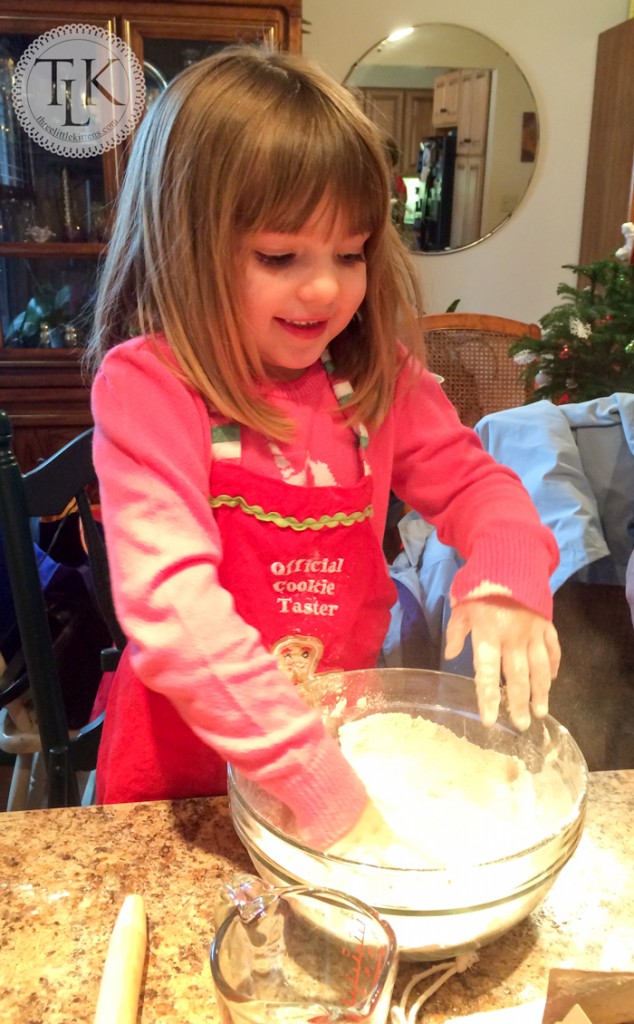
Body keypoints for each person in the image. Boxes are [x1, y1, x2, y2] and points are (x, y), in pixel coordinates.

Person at [84, 45, 560, 854]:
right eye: (280, 256)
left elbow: (478, 486)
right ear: (183, 243)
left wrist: (509, 570)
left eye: (351, 253)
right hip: (181, 787)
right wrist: (311, 778)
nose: (325, 289)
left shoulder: (376, 383)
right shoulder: (152, 390)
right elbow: (173, 607)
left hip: (339, 747)